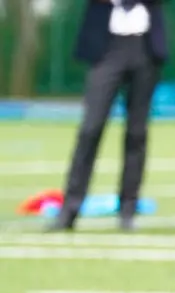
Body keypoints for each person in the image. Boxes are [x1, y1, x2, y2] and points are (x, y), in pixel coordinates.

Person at [50, 0, 168, 232]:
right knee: (90, 129)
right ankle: (70, 209)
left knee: (136, 133)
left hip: (144, 46)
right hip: (105, 46)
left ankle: (128, 210)